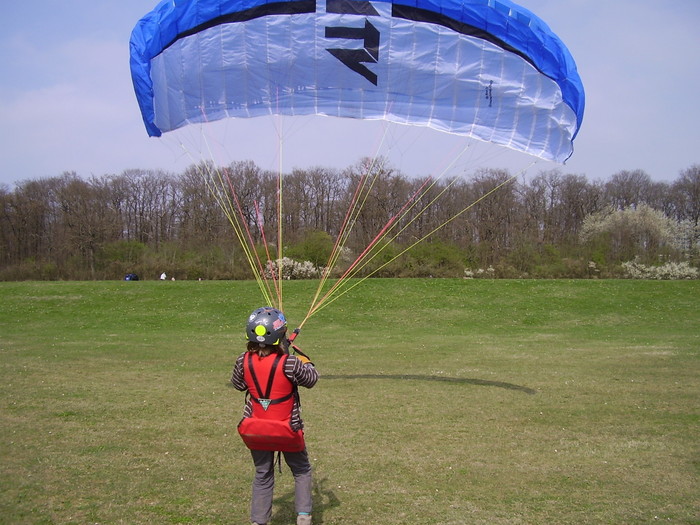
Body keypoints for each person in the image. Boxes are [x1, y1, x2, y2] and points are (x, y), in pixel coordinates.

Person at [231, 307, 319, 525]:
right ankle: (304, 518)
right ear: (280, 336)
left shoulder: (243, 360)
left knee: (262, 473)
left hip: (257, 429)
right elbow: (311, 379)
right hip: (287, 429)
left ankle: (258, 521)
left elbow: (238, 384)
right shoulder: (290, 363)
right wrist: (303, 359)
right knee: (301, 469)